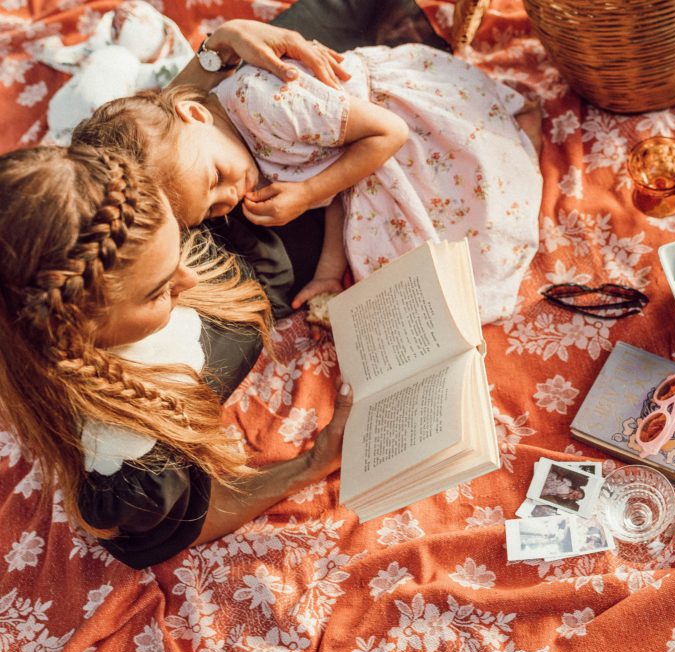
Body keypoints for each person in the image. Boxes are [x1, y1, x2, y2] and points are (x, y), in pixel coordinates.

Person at [0, 144, 353, 569]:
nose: (188, 277)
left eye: (179, 243)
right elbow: (188, 522)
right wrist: (313, 463)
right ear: (76, 331)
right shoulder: (130, 464)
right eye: (158, 290)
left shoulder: (107, 218)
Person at [72, 42, 544, 324]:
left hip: (397, 122)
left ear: (196, 114)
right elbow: (336, 185)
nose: (230, 197)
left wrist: (307, 194)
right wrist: (325, 274)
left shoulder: (265, 102)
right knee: (406, 273)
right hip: (360, 156)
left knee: (482, 199)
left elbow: (389, 134)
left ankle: (523, 136)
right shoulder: (226, 152)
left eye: (216, 180)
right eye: (214, 209)